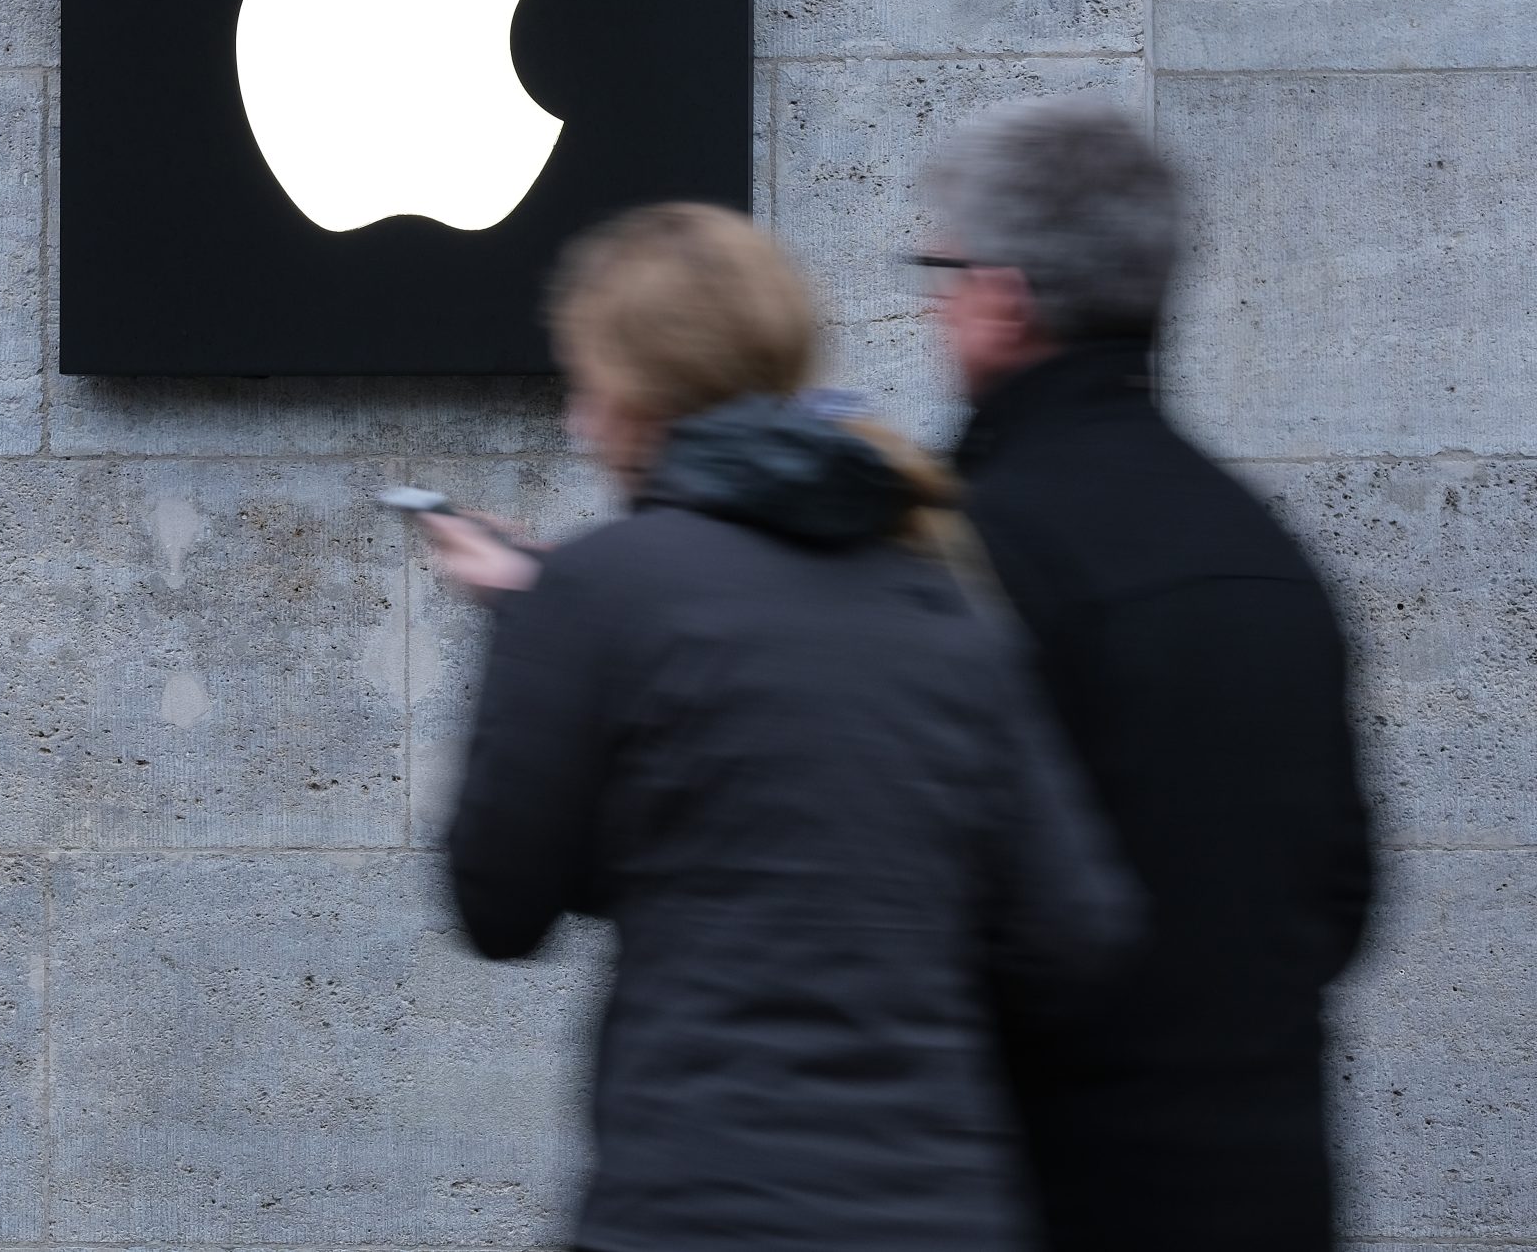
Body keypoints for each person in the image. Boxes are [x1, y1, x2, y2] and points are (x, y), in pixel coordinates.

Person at [424, 203, 1138, 1252]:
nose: (578, 422)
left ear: (627, 393)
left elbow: (499, 906)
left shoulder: (592, 596)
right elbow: (1077, 934)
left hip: (694, 1210)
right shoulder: (941, 604)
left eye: (583, 384)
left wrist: (541, 642)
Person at [918, 97, 1375, 1252]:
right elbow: (1343, 902)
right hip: (1267, 1193)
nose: (932, 301)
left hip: (1038, 1193)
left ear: (1001, 300)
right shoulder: (1265, 554)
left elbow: (918, 909)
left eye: (940, 270)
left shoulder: (970, 550)